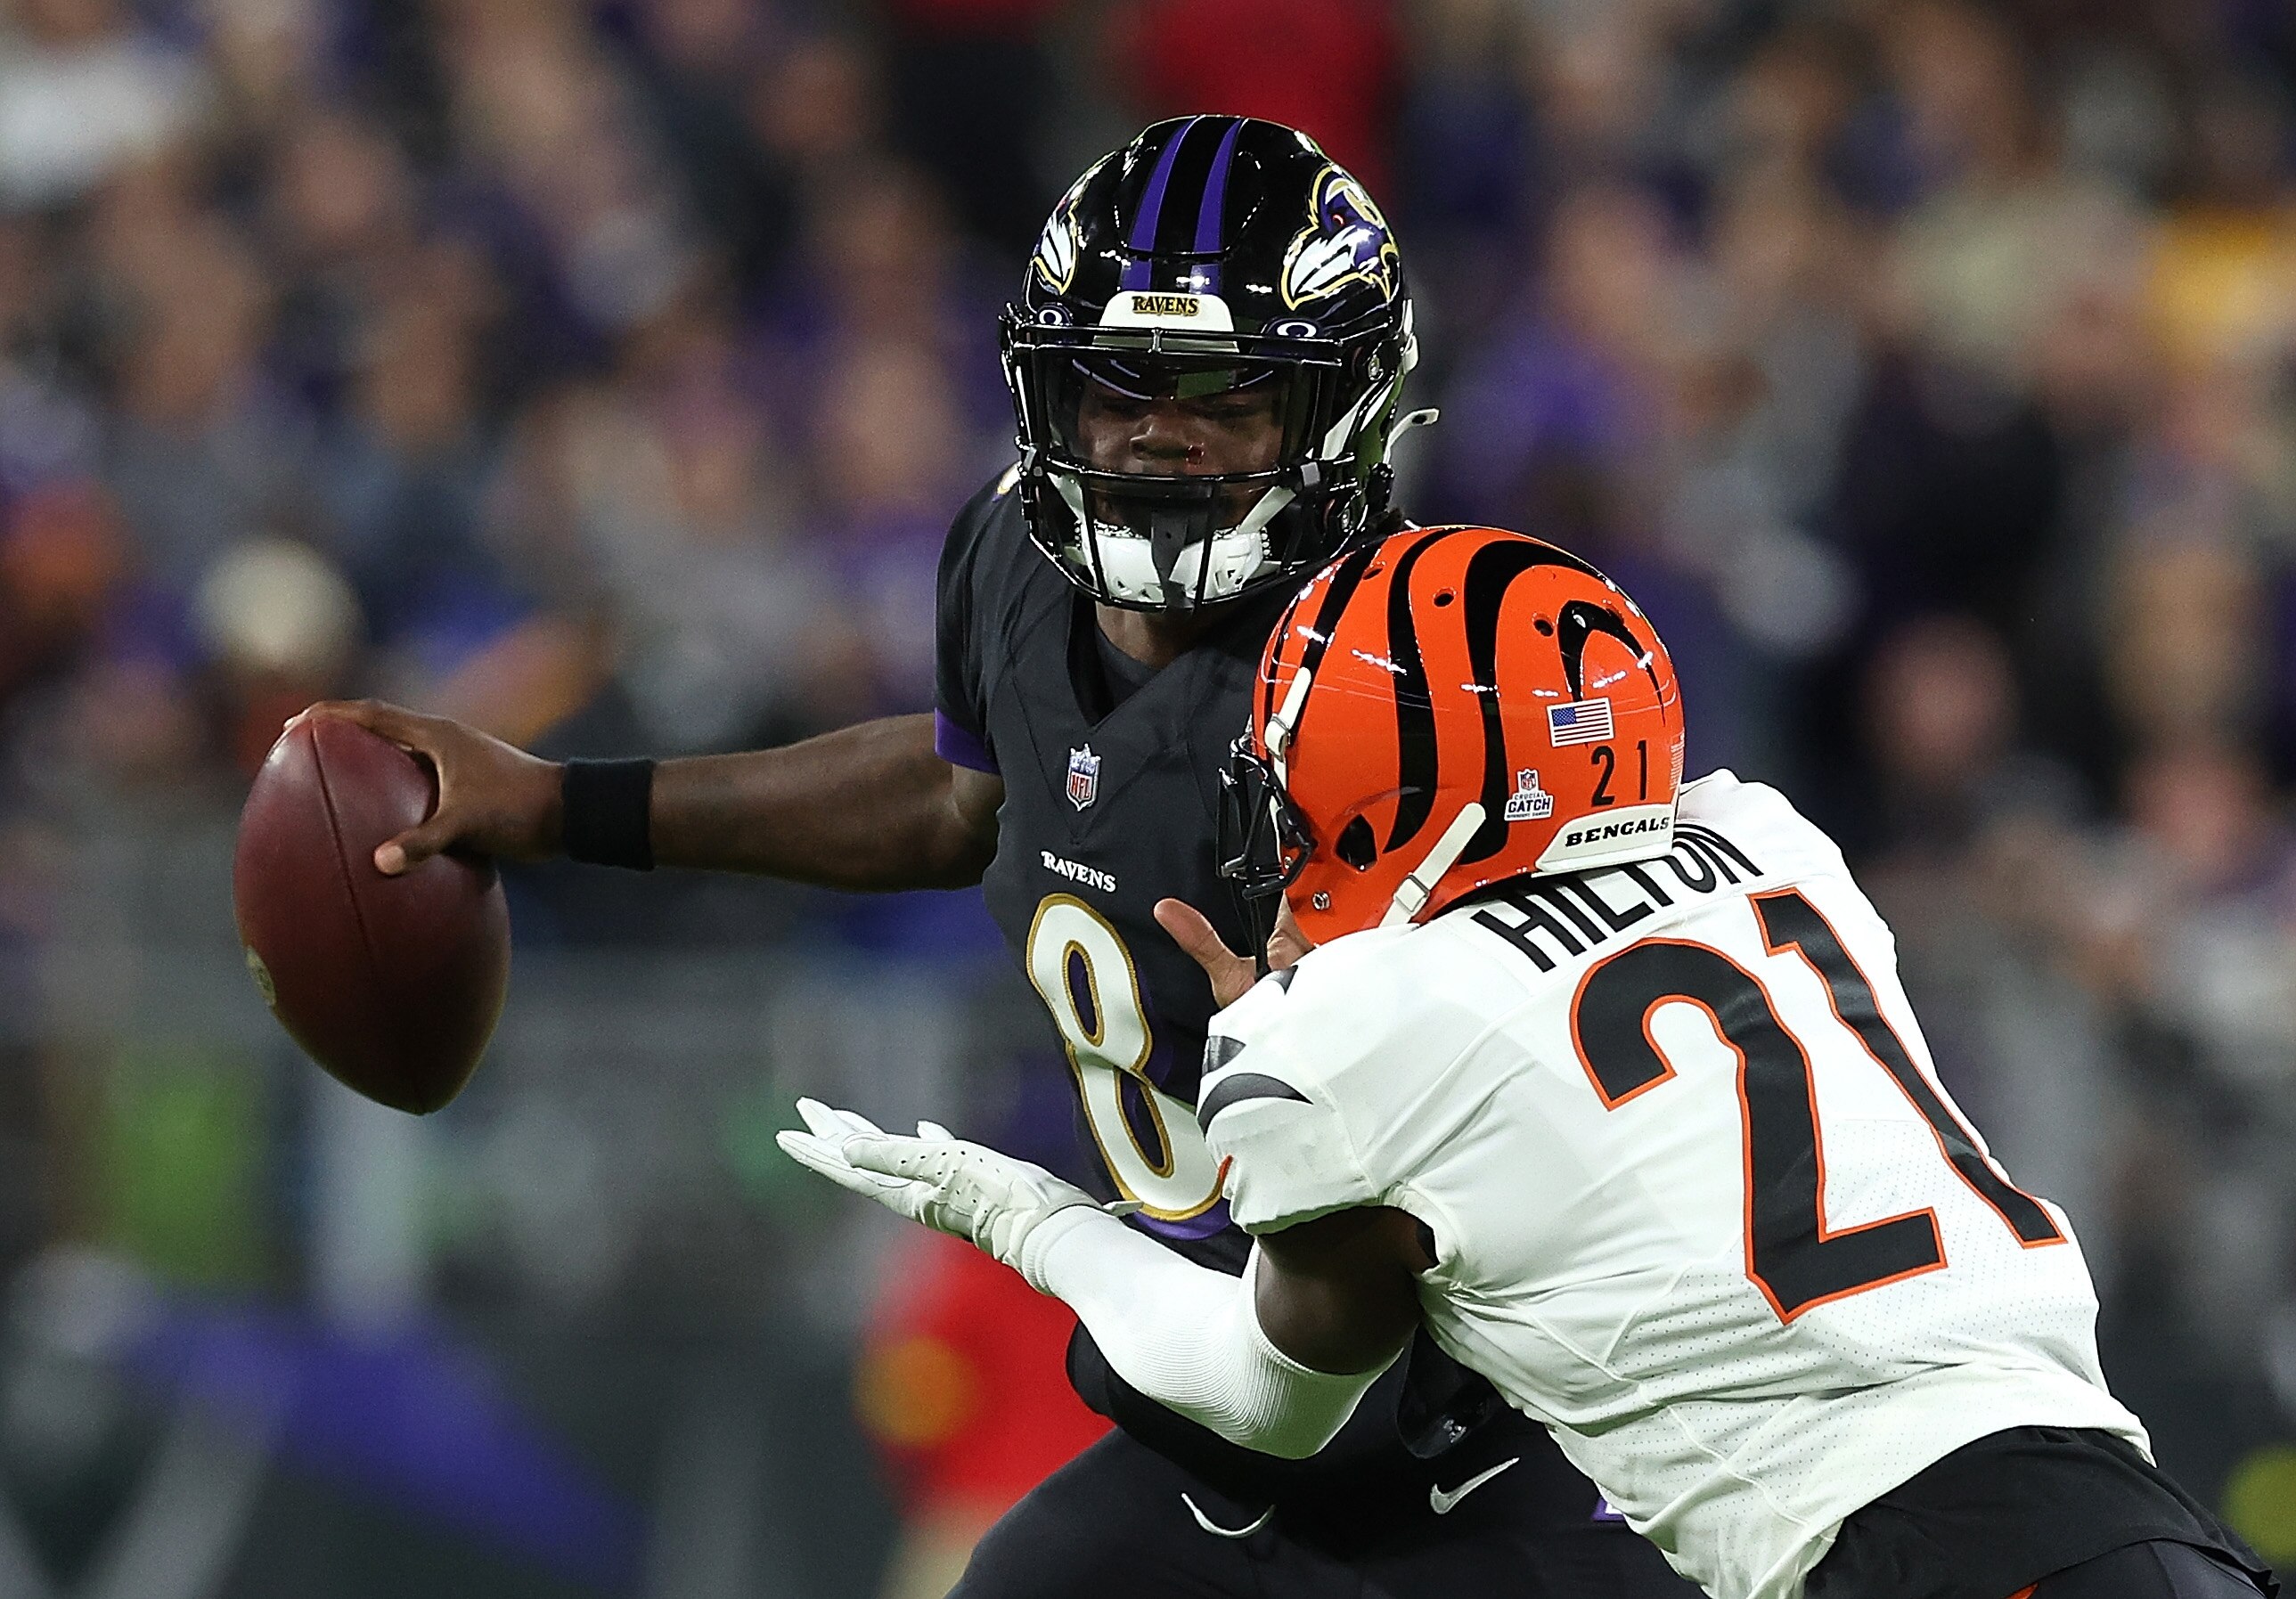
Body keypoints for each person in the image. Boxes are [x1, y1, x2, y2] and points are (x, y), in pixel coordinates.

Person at [303, 120, 1693, 1597]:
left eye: (1226, 395)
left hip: (1490, 1428)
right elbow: (966, 792)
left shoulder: (1408, 680)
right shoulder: (1014, 568)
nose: (1162, 435)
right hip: (1223, 1420)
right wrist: (562, 805)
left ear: (1339, 412)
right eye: (1116, 386)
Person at [778, 524, 2281, 1599]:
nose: (1281, 810)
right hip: (2133, 1514)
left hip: (1908, 1560)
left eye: (1305, 766)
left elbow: (1270, 1398)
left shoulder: (1349, 1031)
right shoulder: (1772, 843)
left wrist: (1032, 1222)